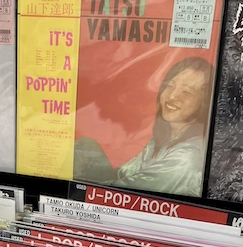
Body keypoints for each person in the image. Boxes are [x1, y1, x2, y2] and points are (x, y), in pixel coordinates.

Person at [74, 57, 214, 197]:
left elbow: (128, 192)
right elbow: (125, 173)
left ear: (204, 104)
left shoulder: (188, 157)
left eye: (187, 93)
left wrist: (78, 190)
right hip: (127, 195)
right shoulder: (165, 137)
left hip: (138, 206)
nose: (172, 96)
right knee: (86, 147)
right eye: (170, 86)